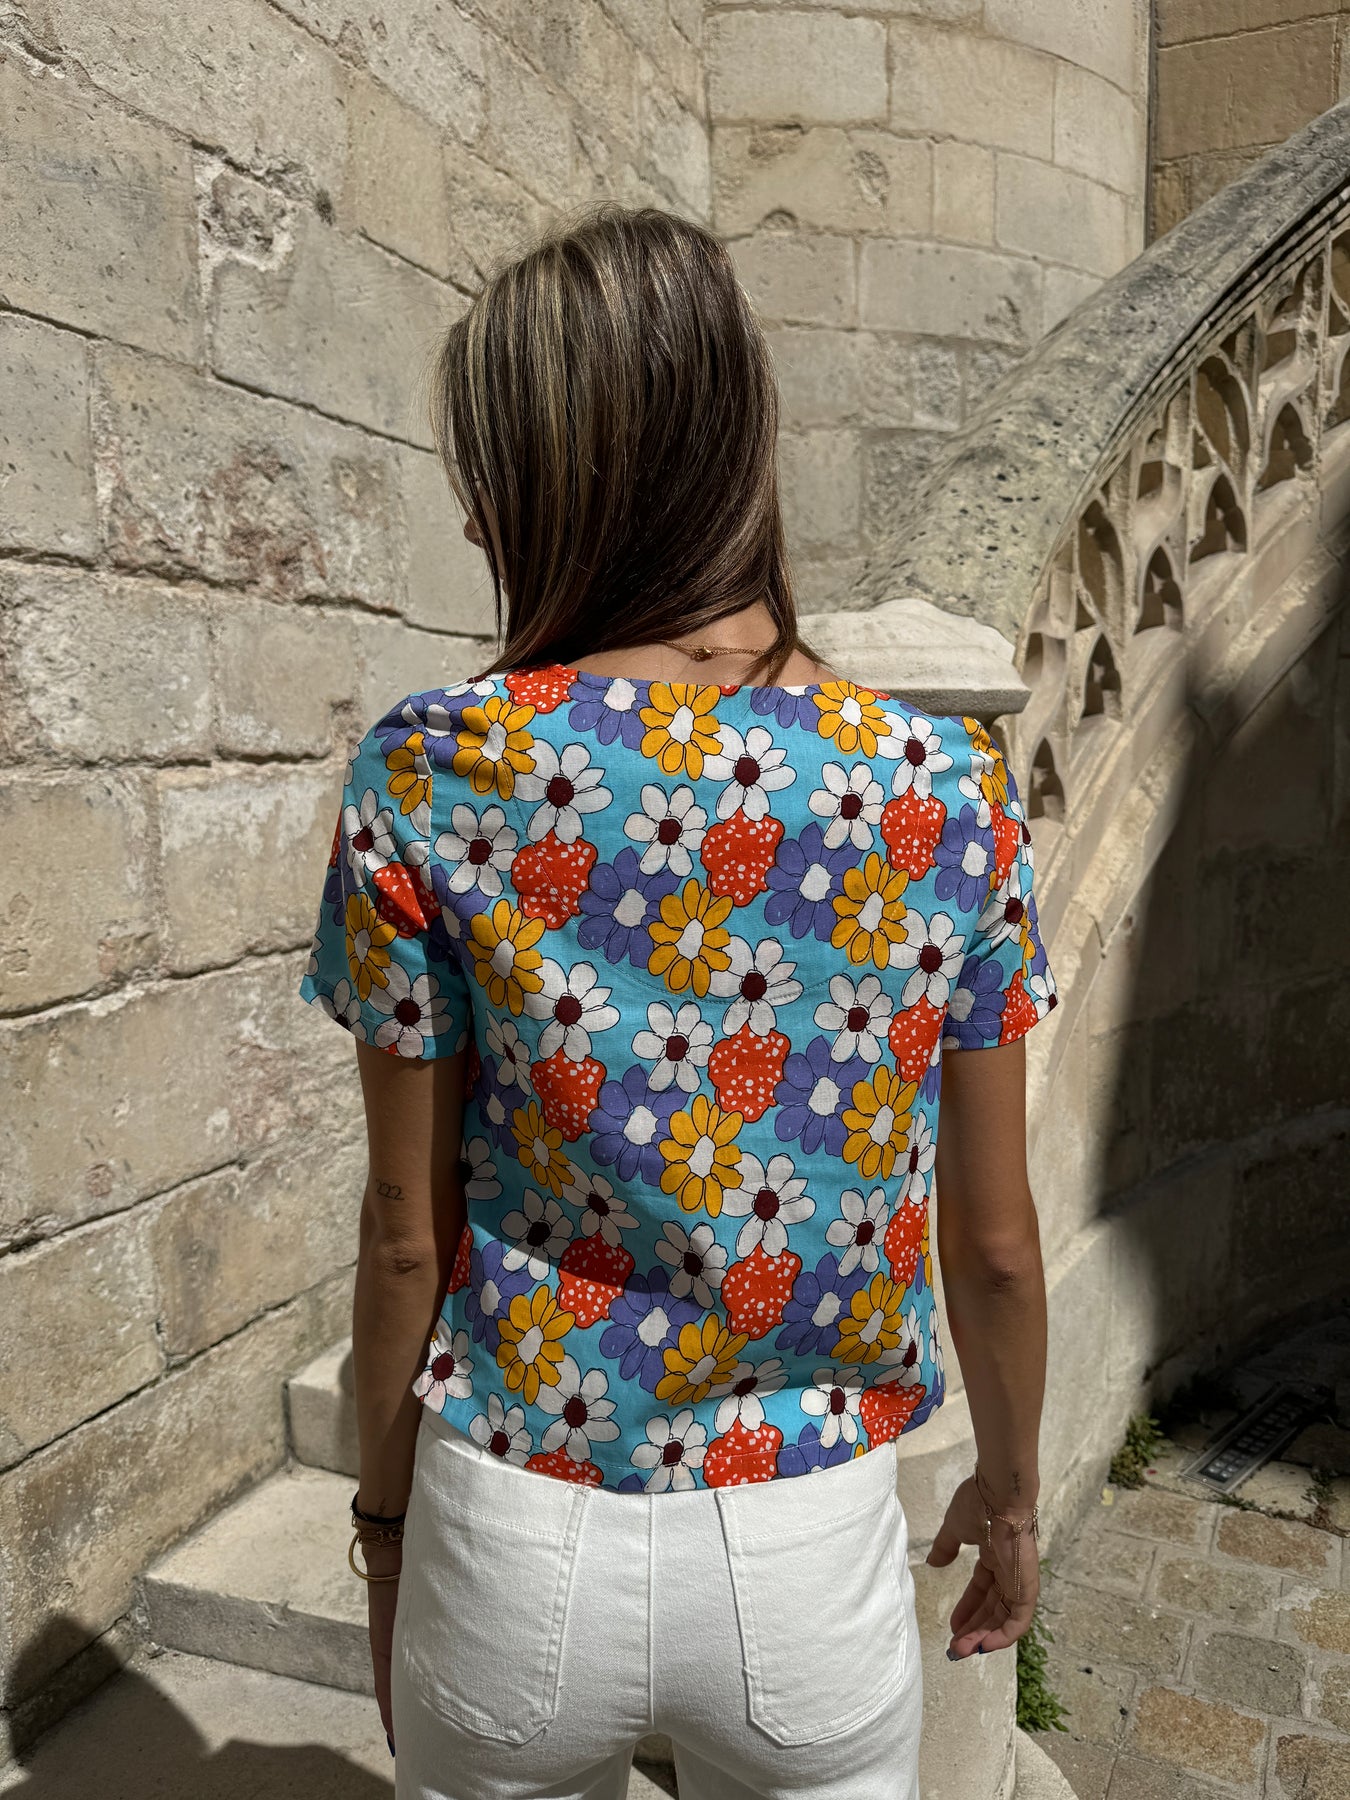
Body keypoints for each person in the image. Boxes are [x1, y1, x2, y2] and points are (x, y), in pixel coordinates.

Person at [298, 203, 1056, 1800]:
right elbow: (992, 1243)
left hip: (516, 1531)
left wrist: (385, 1538)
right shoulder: (939, 782)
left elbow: (402, 1236)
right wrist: (1007, 1498)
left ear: (548, 483)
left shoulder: (433, 769)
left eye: (486, 481)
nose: (472, 522)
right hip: (806, 1548)